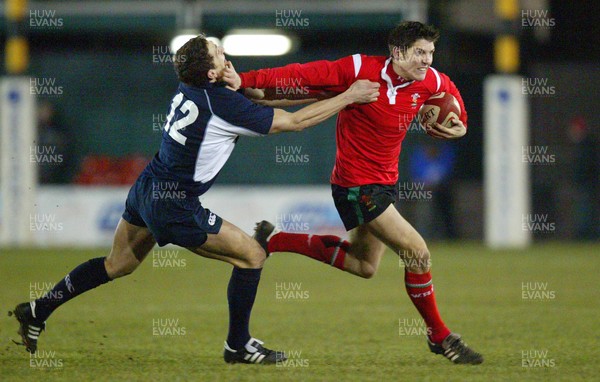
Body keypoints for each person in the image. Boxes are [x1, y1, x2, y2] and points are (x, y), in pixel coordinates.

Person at [10, 35, 379, 364]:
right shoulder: (222, 102)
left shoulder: (192, 90)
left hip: (149, 185)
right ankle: (238, 345)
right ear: (212, 74)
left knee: (117, 264)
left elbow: (256, 101)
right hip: (175, 203)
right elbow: (293, 123)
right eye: (217, 52)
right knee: (252, 255)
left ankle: (38, 309)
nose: (223, 51)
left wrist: (315, 93)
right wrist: (348, 97)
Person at [226, 21, 483, 364]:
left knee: (363, 265)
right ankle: (440, 336)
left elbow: (454, 106)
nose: (427, 60)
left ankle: (275, 240)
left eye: (431, 53)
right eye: (420, 52)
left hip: (384, 184)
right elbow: (302, 75)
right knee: (417, 252)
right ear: (397, 52)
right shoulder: (360, 70)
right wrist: (246, 81)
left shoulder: (431, 81)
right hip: (355, 186)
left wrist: (459, 125)